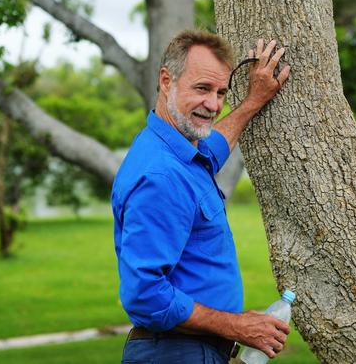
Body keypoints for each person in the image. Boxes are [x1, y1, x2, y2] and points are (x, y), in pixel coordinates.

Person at [111, 29, 291, 364]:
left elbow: (213, 146)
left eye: (221, 92)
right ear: (167, 81)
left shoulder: (178, 151)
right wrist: (236, 326)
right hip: (175, 352)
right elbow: (145, 294)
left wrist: (252, 100)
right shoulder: (161, 176)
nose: (213, 104)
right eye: (202, 89)